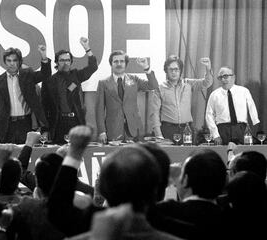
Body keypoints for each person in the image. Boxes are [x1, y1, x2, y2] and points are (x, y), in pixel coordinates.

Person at [47, 126, 180, 240]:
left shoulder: (92, 223)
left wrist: (74, 154)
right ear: (157, 187)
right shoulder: (173, 223)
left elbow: (57, 211)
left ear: (104, 188)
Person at [150, 149, 228, 239]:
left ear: (185, 180)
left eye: (181, 174)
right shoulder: (229, 218)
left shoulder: (163, 213)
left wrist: (161, 182)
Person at [41, 37, 98, 144]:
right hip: (58, 122)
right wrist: (45, 129)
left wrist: (87, 48)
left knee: (77, 151)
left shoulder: (76, 75)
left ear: (71, 62)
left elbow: (93, 67)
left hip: (76, 121)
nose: (65, 63)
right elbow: (44, 107)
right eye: (62, 60)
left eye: (68, 60)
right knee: (59, 153)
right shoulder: (49, 81)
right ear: (57, 62)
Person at [0, 45, 50, 144]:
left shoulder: (28, 75)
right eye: (9, 60)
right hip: (7, 125)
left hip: (26, 123)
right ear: (5, 62)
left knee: (28, 154)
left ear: (19, 62)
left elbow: (45, 74)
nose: (12, 63)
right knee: (8, 156)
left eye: (15, 60)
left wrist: (44, 56)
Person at [96, 51, 158, 143]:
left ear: (126, 64)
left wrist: (146, 68)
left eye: (122, 61)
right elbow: (99, 109)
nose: (119, 64)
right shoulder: (103, 83)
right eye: (116, 61)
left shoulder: (134, 79)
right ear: (111, 64)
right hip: (113, 129)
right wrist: (102, 131)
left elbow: (153, 86)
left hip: (134, 129)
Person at [151, 56, 213, 142]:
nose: (174, 72)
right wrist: (158, 134)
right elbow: (154, 113)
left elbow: (207, 83)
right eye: (171, 69)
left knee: (188, 154)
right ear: (166, 71)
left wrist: (208, 68)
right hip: (168, 130)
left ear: (180, 71)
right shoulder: (160, 88)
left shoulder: (188, 84)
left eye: (176, 69)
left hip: (187, 129)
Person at [206, 66, 260, 145]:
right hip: (222, 130)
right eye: (220, 77)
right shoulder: (214, 95)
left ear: (233, 77)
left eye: (225, 76)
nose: (223, 79)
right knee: (223, 154)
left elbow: (252, 109)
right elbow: (209, 115)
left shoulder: (244, 91)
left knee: (242, 154)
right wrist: (215, 135)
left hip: (241, 129)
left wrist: (255, 126)